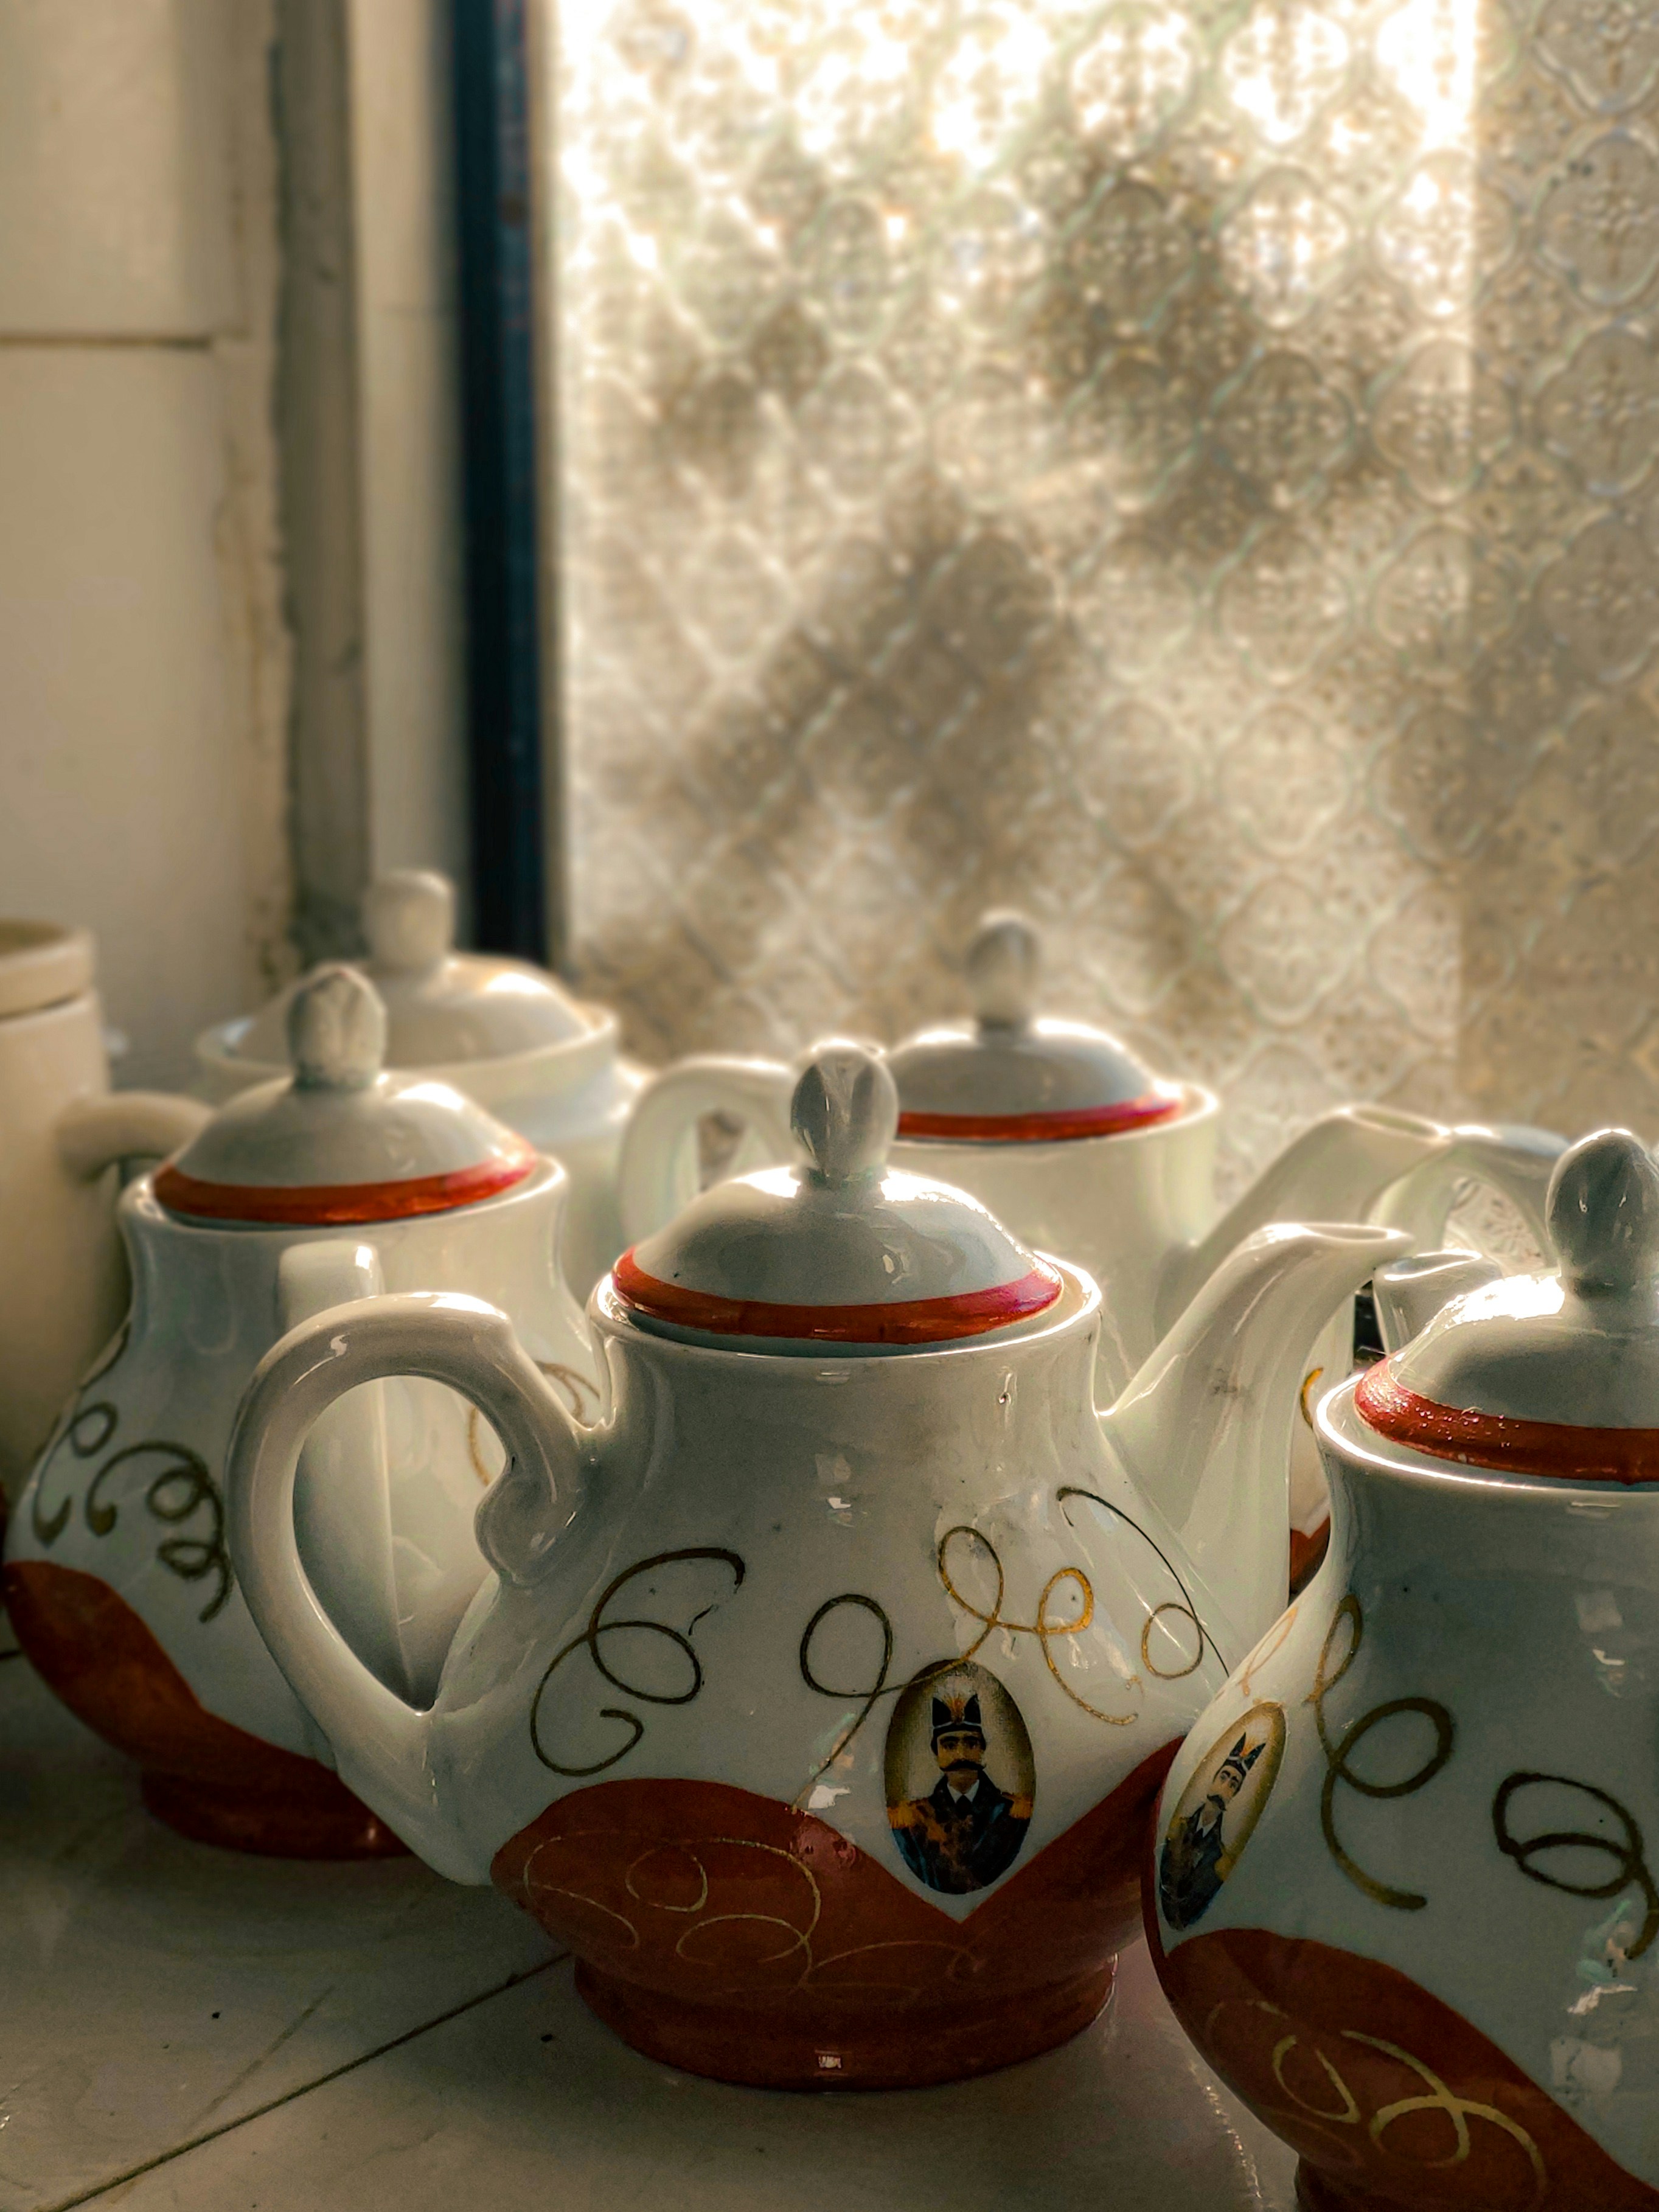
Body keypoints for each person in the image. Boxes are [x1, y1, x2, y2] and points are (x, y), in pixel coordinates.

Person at [889, 1689, 1032, 1894]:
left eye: (971, 1743)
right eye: (949, 1745)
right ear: (936, 1752)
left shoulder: (1014, 1813)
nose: (961, 1754)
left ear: (982, 1749)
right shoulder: (913, 1819)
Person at [1159, 1732, 1264, 1929]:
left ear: (1234, 1795)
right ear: (1213, 1780)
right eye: (1223, 1777)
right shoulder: (1177, 1828)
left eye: (1233, 1785)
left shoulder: (1219, 1858)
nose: (1224, 1788)